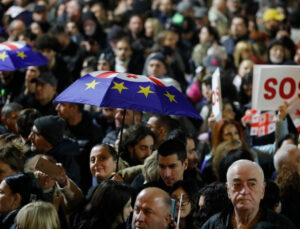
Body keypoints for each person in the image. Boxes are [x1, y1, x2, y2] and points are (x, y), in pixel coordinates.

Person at [201, 159, 297, 229]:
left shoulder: (281, 225)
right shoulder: (212, 225)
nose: (244, 191)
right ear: (228, 190)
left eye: (252, 184)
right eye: (237, 185)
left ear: (262, 190)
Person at [29, 115, 80, 185]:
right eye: (31, 131)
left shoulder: (66, 164)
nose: (30, 137)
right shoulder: (34, 152)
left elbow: (73, 193)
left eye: (36, 134)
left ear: (49, 141)